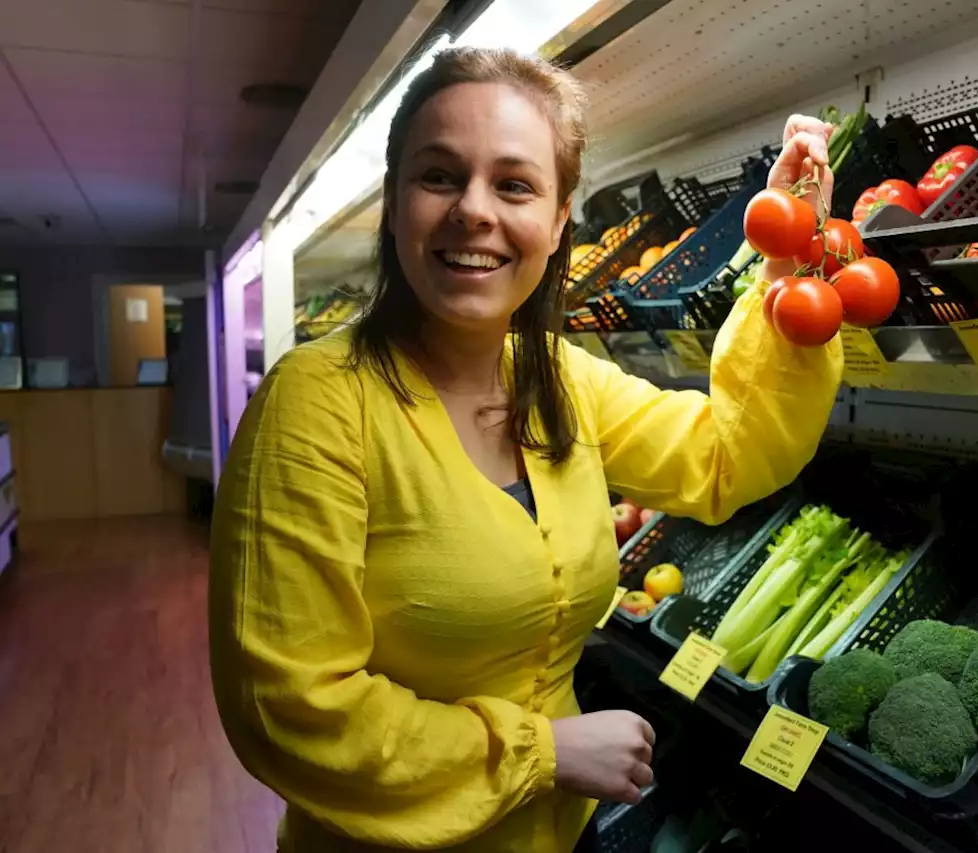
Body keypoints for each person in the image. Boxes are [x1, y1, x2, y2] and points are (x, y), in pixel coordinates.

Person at [208, 46, 842, 853]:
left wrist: (788, 267)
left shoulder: (563, 380)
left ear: (556, 223)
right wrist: (542, 751)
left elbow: (725, 456)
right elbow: (288, 706)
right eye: (439, 175)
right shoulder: (316, 406)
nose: (475, 210)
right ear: (394, 206)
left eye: (514, 184)